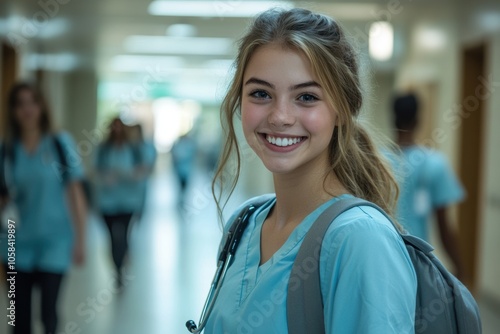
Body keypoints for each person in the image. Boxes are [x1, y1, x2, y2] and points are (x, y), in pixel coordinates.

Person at [205, 8, 417, 334]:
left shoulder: (360, 239)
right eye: (261, 93)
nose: (280, 117)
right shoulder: (245, 223)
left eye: (306, 97)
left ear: (342, 111)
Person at [0, 82, 87, 334]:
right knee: (17, 317)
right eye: (20, 104)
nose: (27, 109)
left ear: (42, 107)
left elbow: (75, 193)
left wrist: (80, 240)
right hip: (15, 244)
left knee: (49, 315)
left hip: (55, 242)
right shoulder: (7, 150)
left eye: (32, 102)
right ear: (13, 111)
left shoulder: (60, 144)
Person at [389, 92, 465, 279]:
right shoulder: (434, 163)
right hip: (418, 262)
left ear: (393, 119)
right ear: (417, 120)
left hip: (384, 255)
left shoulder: (376, 161)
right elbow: (444, 228)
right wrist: (461, 271)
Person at [93, 117, 144, 287]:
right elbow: (95, 172)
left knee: (123, 236)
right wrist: (105, 178)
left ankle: (120, 268)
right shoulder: (104, 150)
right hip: (108, 202)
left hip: (128, 201)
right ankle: (117, 267)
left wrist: (128, 174)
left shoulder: (133, 149)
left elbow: (142, 170)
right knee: (113, 238)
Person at [170, 132, 197, 202]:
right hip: (180, 170)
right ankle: (181, 197)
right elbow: (175, 156)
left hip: (186, 170)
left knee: (184, 185)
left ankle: (182, 197)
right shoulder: (179, 146)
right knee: (181, 185)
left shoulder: (189, 146)